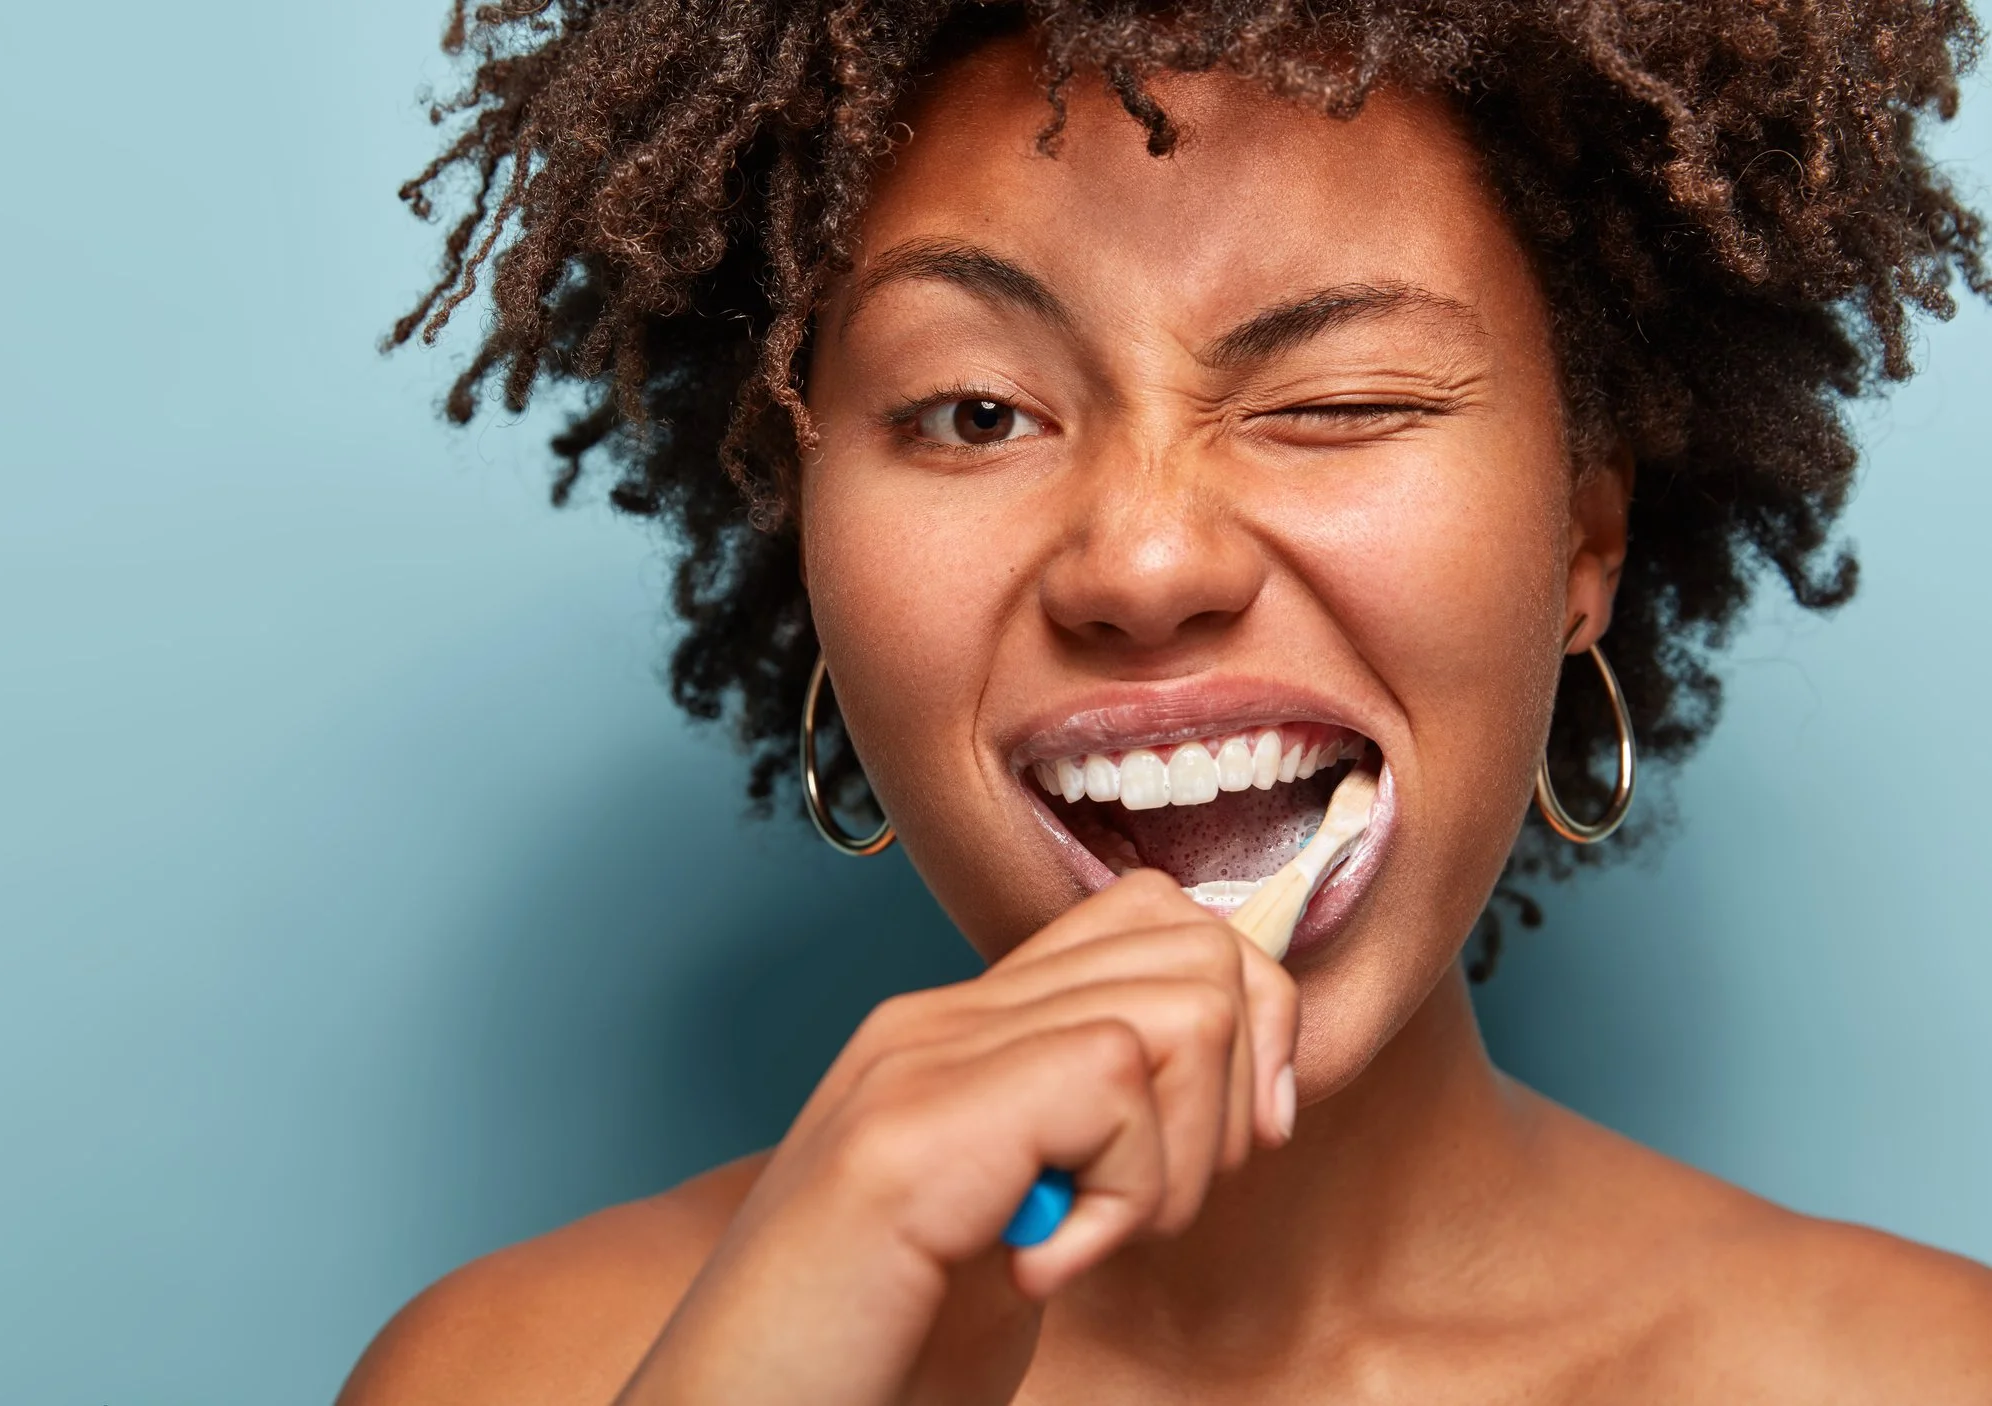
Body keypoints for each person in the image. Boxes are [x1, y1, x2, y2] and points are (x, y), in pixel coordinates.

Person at [344, 2, 1992, 1399]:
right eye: (975, 412)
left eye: (1339, 398)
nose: (1141, 556)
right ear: (807, 536)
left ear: (1585, 534)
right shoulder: (519, 1369)